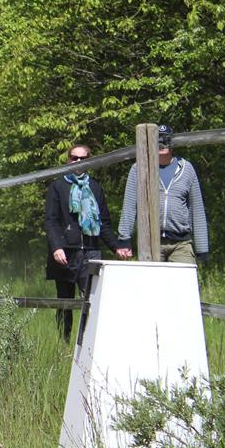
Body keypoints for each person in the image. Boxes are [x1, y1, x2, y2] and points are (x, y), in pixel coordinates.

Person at [44, 144, 130, 341]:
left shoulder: (95, 187)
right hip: (65, 254)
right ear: (68, 160)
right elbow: (51, 221)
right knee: (64, 303)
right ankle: (63, 344)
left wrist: (117, 247)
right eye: (74, 158)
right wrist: (56, 247)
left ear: (89, 161)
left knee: (91, 302)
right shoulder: (58, 187)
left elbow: (104, 224)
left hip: (91, 252)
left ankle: (88, 345)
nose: (78, 162)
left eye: (83, 159)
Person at [117, 124, 209, 265]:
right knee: (152, 279)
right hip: (150, 242)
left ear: (172, 143)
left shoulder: (187, 169)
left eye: (166, 140)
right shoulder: (139, 168)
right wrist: (124, 238)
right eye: (158, 139)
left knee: (184, 278)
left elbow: (197, 209)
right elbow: (129, 205)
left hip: (181, 243)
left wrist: (202, 248)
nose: (162, 144)